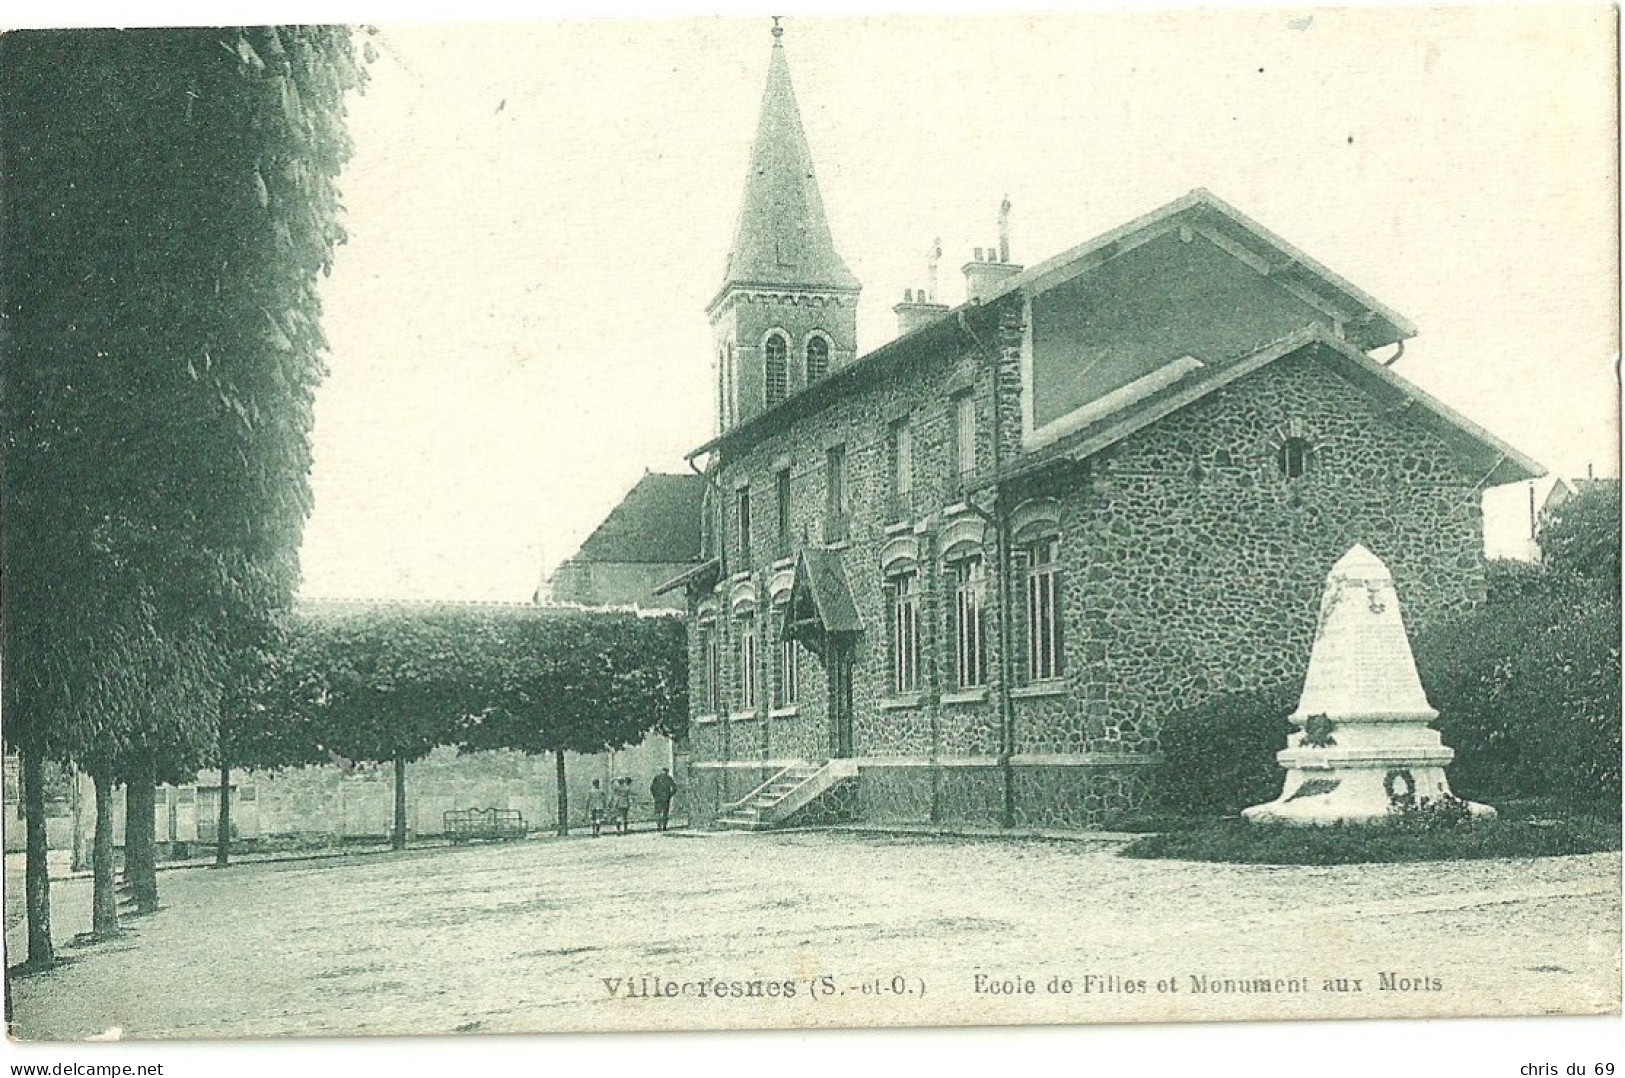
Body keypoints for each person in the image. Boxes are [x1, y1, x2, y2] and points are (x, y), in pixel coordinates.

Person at [650, 768, 677, 832]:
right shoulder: (668, 778)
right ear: (667, 772)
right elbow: (674, 788)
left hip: (658, 798)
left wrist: (655, 796)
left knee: (658, 812)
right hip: (665, 798)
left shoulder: (657, 777)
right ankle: (664, 827)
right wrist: (670, 795)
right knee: (665, 813)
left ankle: (658, 826)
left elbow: (651, 788)